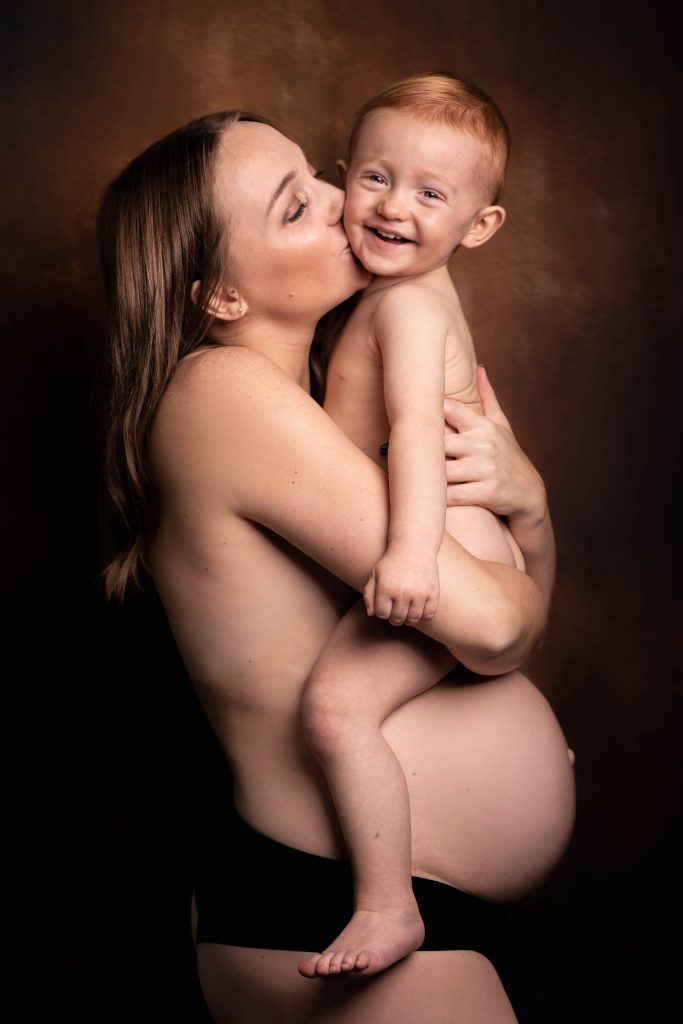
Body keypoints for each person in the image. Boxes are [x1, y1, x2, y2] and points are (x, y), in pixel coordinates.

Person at [96, 105, 575, 1024]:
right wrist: (519, 560)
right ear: (219, 297)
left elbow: (504, 644)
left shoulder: (322, 402)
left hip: (380, 891)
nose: (342, 200)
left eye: (319, 175)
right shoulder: (218, 392)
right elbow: (497, 625)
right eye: (292, 207)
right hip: (323, 897)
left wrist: (531, 507)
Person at [298, 72, 526, 980]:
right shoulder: (395, 297)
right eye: (376, 179)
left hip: (444, 536)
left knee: (334, 707)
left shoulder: (407, 303)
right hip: (462, 539)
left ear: (479, 225)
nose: (395, 208)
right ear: (344, 176)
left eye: (431, 194)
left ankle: (389, 906)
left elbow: (420, 446)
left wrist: (407, 552)